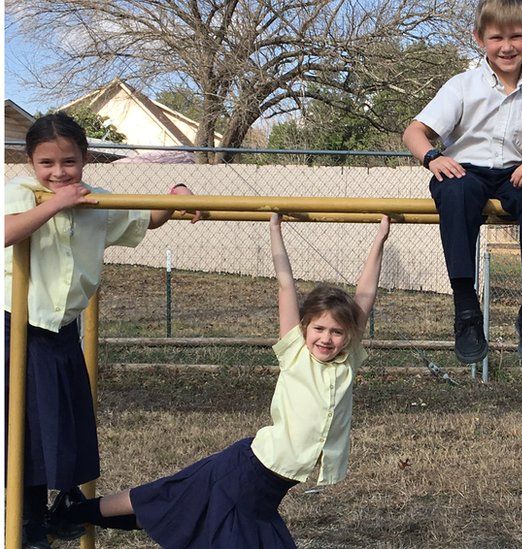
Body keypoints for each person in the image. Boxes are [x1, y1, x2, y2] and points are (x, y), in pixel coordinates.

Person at [48, 213, 390, 548]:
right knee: (166, 498)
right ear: (304, 328)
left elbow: (364, 296)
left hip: (260, 489)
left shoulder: (347, 363)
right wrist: (275, 227)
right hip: (247, 472)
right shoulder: (295, 353)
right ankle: (75, 511)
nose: (327, 338)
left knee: (170, 500)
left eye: (336, 332)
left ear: (349, 335)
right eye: (319, 328)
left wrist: (380, 240)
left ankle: (74, 511)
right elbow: (285, 284)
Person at [4, 112, 201, 549]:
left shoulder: (98, 200)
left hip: (62, 328)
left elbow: (145, 218)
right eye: (47, 163)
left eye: (69, 162)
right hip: (18, 326)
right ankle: (26, 521)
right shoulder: (19, 193)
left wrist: (177, 195)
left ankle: (64, 508)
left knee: (70, 422)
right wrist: (55, 203)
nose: (59, 173)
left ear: (85, 158)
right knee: (27, 428)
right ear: (30, 162)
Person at [402, 0, 522, 365]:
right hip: (465, 170)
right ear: (479, 38)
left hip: (512, 172)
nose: (507, 46)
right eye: (497, 37)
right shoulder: (462, 86)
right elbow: (414, 131)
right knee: (456, 190)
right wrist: (433, 156)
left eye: (516, 36)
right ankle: (466, 310)